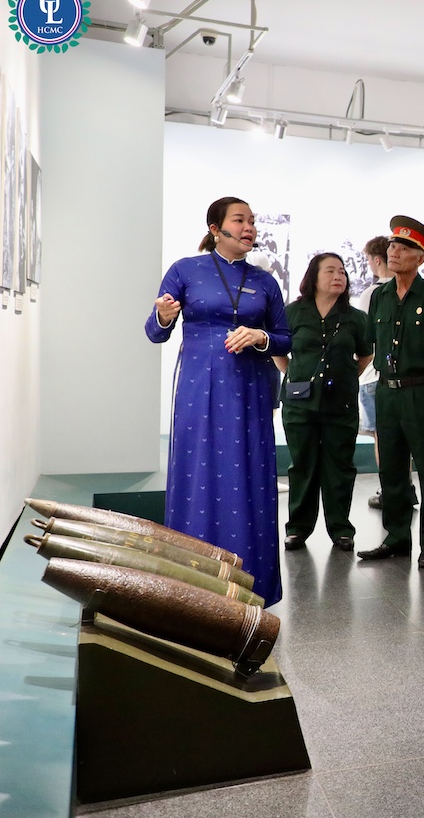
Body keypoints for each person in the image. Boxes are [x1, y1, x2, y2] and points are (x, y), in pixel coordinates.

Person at [144, 196, 291, 607]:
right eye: (239, 220)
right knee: (198, 473)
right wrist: (164, 315)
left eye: (252, 221)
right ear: (215, 229)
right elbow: (154, 332)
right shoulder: (184, 270)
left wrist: (260, 336)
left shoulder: (265, 281)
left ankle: (251, 583)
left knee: (249, 473)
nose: (249, 227)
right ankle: (191, 581)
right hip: (198, 388)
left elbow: (285, 338)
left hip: (250, 390)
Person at [356, 216, 424, 567]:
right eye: (392, 246)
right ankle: (396, 537)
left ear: (421, 257)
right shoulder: (380, 297)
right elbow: (373, 343)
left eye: (403, 247)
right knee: (392, 470)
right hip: (387, 392)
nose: (394, 251)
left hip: (423, 392)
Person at [274, 253, 373, 552]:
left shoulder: (356, 318)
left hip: (340, 404)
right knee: (302, 465)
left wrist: (345, 377)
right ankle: (297, 529)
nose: (338, 276)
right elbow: (278, 352)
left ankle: (341, 529)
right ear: (313, 277)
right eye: (330, 271)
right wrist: (296, 375)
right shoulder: (292, 313)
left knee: (340, 466)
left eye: (342, 271)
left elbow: (365, 355)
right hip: (299, 404)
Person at [353, 237, 398, 511]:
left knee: (383, 437)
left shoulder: (371, 294)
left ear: (377, 260)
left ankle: (389, 489)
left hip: (373, 375)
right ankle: (402, 486)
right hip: (399, 376)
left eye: (369, 260)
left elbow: (363, 337)